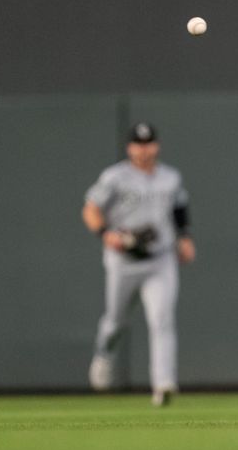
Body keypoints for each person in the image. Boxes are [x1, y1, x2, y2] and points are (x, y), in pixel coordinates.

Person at [82, 122, 196, 407]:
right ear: (129, 147)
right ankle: (104, 354)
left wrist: (184, 238)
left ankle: (163, 383)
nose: (144, 149)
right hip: (124, 261)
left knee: (162, 319)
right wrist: (105, 234)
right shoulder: (115, 177)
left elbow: (180, 209)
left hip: (160, 259)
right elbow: (91, 209)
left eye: (148, 143)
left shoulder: (170, 177)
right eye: (138, 144)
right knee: (115, 321)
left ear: (156, 146)